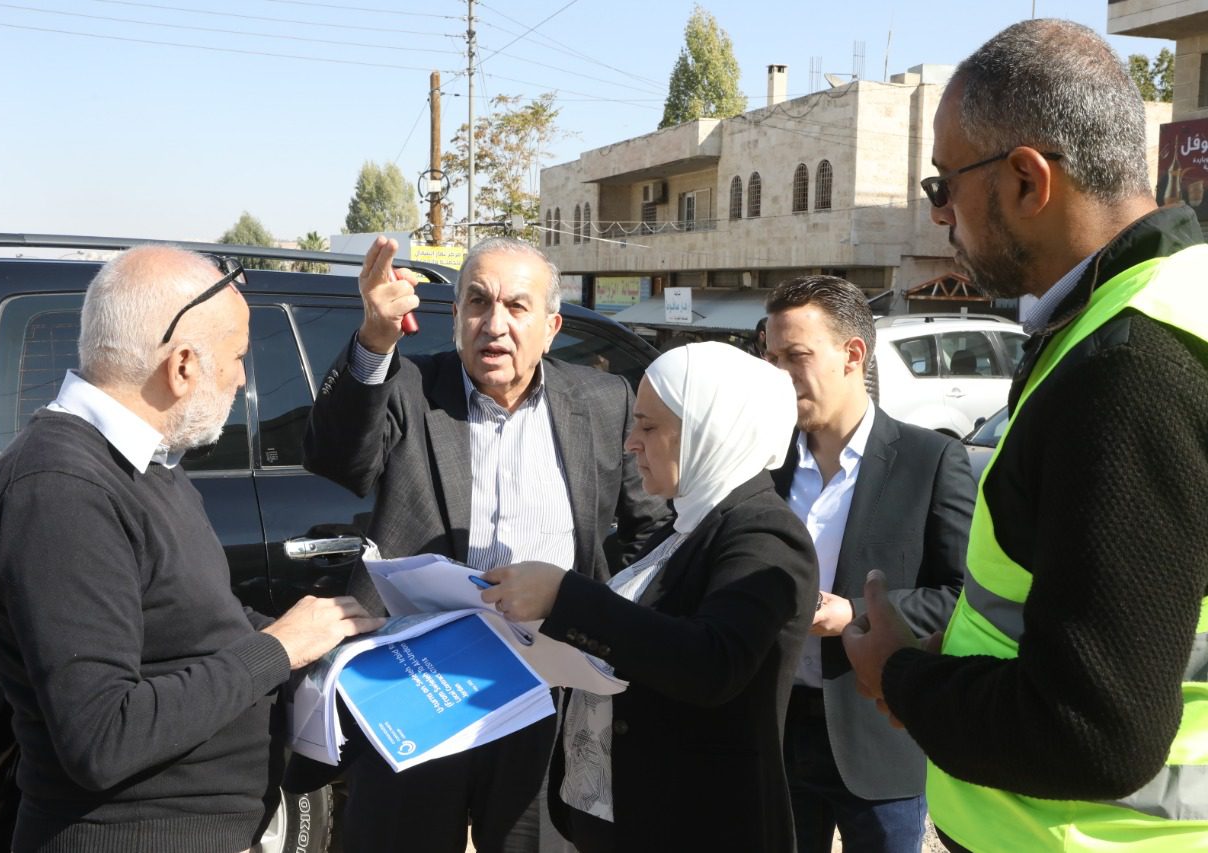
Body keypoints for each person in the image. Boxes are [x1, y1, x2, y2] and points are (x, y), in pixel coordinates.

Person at [841, 18, 1208, 853]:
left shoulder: (1127, 366)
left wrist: (900, 674)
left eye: (943, 185)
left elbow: (1093, 732)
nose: (940, 215)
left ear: (1027, 181)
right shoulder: (1166, 300)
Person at [0, 246, 383, 852]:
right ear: (182, 365)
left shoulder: (146, 465)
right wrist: (279, 648)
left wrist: (328, 645)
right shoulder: (61, 490)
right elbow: (102, 737)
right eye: (237, 358)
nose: (242, 379)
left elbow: (193, 626)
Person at [303, 235, 670, 852]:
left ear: (551, 327)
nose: (494, 324)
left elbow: (652, 529)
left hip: (545, 689)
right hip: (421, 687)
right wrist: (374, 341)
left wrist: (597, 620)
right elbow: (337, 459)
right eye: (477, 302)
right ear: (455, 318)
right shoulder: (411, 386)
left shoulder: (604, 401)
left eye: (517, 306)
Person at [481, 341, 819, 852]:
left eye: (649, 427)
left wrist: (565, 595)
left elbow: (712, 663)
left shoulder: (764, 534)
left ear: (709, 429)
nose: (631, 444)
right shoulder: (687, 523)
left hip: (698, 826)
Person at [763, 275, 974, 853]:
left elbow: (962, 595)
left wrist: (852, 613)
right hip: (774, 731)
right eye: (772, 357)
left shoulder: (931, 460)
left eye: (796, 356)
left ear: (853, 354)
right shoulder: (764, 462)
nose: (779, 374)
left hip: (878, 735)